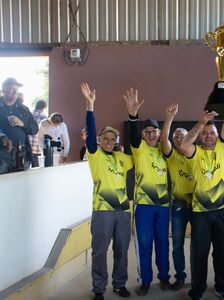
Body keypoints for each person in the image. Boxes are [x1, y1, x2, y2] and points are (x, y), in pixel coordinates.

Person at [80, 83, 134, 300]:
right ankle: (99, 289)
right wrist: (90, 106)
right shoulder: (95, 155)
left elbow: (137, 148)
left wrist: (132, 116)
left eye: (113, 139)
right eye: (105, 139)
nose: (109, 142)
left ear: (117, 142)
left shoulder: (124, 158)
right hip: (102, 211)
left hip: (123, 211)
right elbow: (91, 129)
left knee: (122, 251)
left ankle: (120, 284)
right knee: (100, 252)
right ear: (99, 141)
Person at [178, 111, 224, 300]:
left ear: (218, 137)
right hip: (200, 213)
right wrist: (201, 122)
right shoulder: (195, 152)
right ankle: (197, 289)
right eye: (205, 133)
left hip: (223, 211)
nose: (208, 135)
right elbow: (185, 144)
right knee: (199, 254)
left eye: (212, 133)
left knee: (221, 253)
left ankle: (222, 286)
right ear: (201, 135)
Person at [123, 88, 171, 296]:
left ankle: (164, 277)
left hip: (163, 207)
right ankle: (145, 280)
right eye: (147, 132)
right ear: (143, 135)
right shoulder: (139, 148)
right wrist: (133, 115)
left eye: (155, 131)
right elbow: (132, 136)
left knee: (162, 244)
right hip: (143, 206)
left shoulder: (165, 150)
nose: (151, 134)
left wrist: (169, 120)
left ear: (160, 133)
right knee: (144, 244)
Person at [159, 103, 193, 291]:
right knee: (177, 244)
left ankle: (197, 277)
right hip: (179, 207)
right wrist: (169, 118)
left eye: (183, 137)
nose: (179, 140)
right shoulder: (171, 156)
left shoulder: (196, 153)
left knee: (198, 245)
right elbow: (164, 139)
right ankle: (180, 276)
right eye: (176, 138)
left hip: (197, 206)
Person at [0, 77, 38, 170]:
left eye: (17, 90)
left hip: (21, 153)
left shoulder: (24, 109)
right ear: (4, 90)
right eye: (12, 89)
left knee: (21, 182)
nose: (15, 92)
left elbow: (35, 129)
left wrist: (23, 124)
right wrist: (2, 138)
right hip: (2, 154)